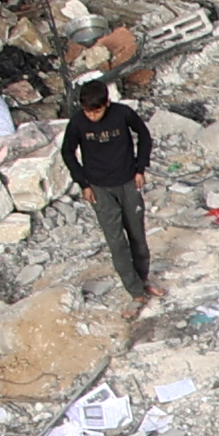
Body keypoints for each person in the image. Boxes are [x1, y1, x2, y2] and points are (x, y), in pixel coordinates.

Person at [61, 76, 153, 306]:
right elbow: (67, 152)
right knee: (116, 242)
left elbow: (144, 135)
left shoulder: (122, 114)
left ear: (106, 104)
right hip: (99, 189)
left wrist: (140, 168)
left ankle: (143, 278)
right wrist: (83, 183)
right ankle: (135, 290)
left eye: (96, 111)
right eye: (88, 112)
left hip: (128, 183)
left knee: (138, 237)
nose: (92, 116)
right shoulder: (77, 123)